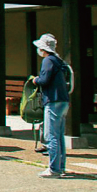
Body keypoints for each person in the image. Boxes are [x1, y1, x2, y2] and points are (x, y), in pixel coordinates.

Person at [31, 33, 70, 179]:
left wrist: (36, 80)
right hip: (63, 100)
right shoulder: (59, 60)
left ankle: (54, 169)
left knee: (51, 135)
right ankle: (61, 166)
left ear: (43, 48)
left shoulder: (48, 61)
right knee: (59, 136)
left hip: (53, 100)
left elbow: (45, 79)